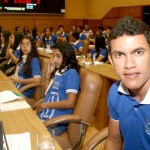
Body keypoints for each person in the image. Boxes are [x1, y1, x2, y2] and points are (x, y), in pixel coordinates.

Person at [105, 16, 150, 150]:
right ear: (111, 60)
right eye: (119, 55)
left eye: (138, 52)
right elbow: (113, 141)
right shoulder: (115, 92)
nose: (129, 64)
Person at [36, 42, 80, 136]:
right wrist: (48, 75)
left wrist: (45, 105)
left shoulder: (71, 73)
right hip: (46, 116)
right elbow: (47, 95)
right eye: (53, 56)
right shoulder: (59, 73)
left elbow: (71, 103)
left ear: (67, 57)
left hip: (55, 122)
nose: (54, 60)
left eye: (58, 56)